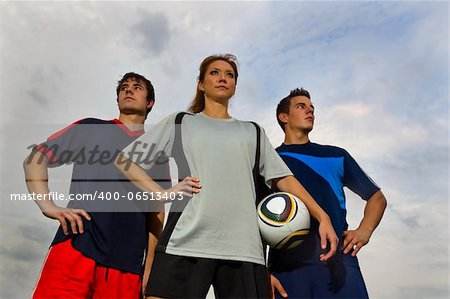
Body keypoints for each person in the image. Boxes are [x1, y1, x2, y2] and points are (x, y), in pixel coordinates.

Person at [115, 54, 339, 299]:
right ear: (201, 84)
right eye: (214, 72)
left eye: (229, 74)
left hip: (244, 250)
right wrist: (161, 193)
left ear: (234, 86)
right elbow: (124, 160)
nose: (223, 78)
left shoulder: (252, 131)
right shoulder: (181, 122)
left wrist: (322, 216)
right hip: (185, 241)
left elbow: (284, 179)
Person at [24, 72, 166, 298]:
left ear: (150, 102)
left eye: (137, 87)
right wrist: (47, 205)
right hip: (75, 246)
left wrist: (150, 267)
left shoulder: (157, 152)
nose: (128, 90)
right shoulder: (90, 127)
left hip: (126, 265)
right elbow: (35, 159)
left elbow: (157, 212)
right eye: (123, 88)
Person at [269, 87, 387, 298]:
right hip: (287, 269)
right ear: (284, 116)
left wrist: (364, 230)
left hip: (340, 265)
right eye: (301, 106)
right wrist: (262, 270)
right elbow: (252, 217)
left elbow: (376, 197)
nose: (310, 111)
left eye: (312, 107)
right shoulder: (269, 160)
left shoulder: (336, 155)